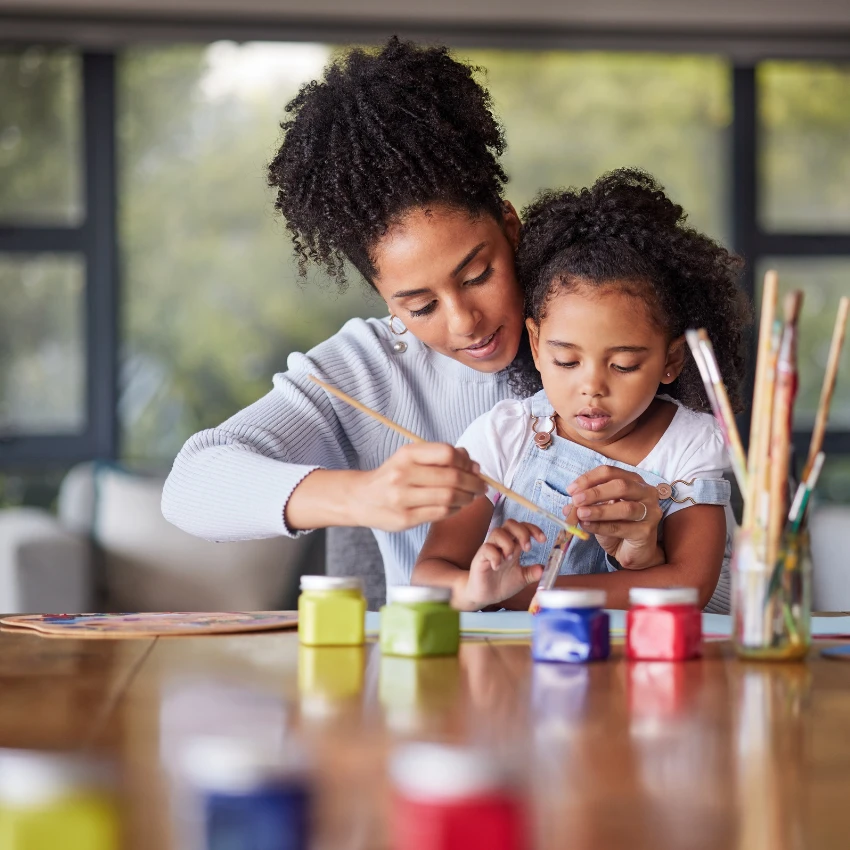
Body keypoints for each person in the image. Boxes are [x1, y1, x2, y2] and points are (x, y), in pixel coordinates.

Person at [161, 39, 666, 591]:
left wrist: (649, 544)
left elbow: (724, 593)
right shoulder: (368, 370)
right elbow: (190, 486)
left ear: (510, 226)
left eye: (477, 276)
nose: (464, 321)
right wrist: (361, 496)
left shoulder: (615, 336)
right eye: (420, 305)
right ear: (383, 298)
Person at [413, 169, 751, 612]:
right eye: (566, 361)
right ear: (536, 345)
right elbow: (430, 575)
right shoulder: (505, 437)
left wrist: (525, 593)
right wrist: (477, 589)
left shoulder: (689, 443)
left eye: (625, 365)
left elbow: (689, 585)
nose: (591, 387)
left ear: (671, 361)